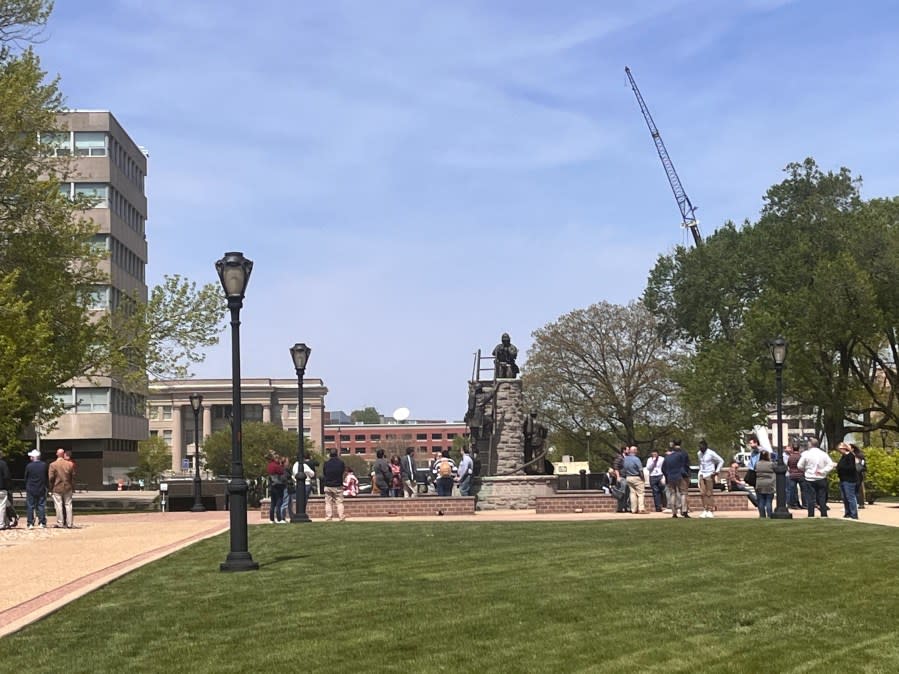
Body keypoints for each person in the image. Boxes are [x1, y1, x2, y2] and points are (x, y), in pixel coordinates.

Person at [797, 437, 835, 517]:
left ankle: (811, 514)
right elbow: (830, 464)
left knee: (810, 498)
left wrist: (806, 470)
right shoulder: (823, 454)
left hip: (809, 477)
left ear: (810, 444)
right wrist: (823, 471)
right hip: (821, 477)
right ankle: (824, 514)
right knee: (822, 497)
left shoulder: (806, 454)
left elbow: (799, 465)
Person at [662, 439, 691, 518]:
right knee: (683, 493)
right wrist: (686, 475)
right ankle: (684, 511)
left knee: (672, 494)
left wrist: (667, 475)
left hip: (670, 477)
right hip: (680, 476)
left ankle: (674, 512)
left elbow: (663, 468)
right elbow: (685, 465)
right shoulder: (682, 454)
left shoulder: (668, 457)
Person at [48, 448, 76, 528]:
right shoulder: (70, 464)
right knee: (68, 505)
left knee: (58, 505)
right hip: (68, 486)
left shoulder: (53, 465)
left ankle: (60, 522)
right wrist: (73, 487)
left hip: (57, 487)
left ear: (57, 454)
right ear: (63, 454)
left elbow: (51, 478)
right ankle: (70, 523)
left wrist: (50, 488)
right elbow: (73, 476)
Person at [697, 440, 724, 518]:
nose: (701, 449)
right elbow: (700, 464)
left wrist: (717, 471)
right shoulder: (699, 454)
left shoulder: (711, 453)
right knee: (702, 493)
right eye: (700, 447)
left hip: (709, 474)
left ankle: (710, 510)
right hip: (702, 473)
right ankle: (705, 509)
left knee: (709, 493)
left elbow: (721, 460)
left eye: (702, 447)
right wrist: (700, 473)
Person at [24, 449, 48, 529]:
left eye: (31, 456)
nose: (30, 457)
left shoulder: (29, 466)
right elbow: (46, 477)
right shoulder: (44, 465)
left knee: (30, 506)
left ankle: (30, 523)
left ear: (34, 457)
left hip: (31, 488)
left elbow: (26, 477)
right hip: (41, 487)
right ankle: (42, 522)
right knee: (41, 505)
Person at [835, 442, 859, 520]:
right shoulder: (844, 456)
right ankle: (847, 513)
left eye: (840, 449)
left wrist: (841, 468)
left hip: (849, 479)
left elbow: (851, 468)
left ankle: (854, 514)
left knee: (850, 497)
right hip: (843, 479)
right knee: (845, 497)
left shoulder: (850, 456)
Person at [322, 449, 347, 522]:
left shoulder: (326, 463)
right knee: (339, 502)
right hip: (338, 485)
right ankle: (341, 517)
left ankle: (329, 517)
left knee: (328, 502)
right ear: (337, 454)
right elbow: (342, 472)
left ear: (330, 454)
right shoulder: (341, 463)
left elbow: (324, 473)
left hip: (328, 485)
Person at [623, 446, 647, 514]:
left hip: (628, 477)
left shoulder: (625, 459)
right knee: (641, 493)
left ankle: (633, 509)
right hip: (636, 477)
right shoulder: (636, 459)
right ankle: (641, 509)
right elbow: (640, 470)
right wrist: (643, 478)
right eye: (636, 450)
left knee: (632, 493)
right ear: (634, 451)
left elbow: (624, 468)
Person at [755, 451, 776, 518]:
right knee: (769, 501)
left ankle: (762, 516)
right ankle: (769, 515)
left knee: (761, 501)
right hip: (769, 483)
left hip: (759, 483)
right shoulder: (771, 464)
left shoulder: (757, 464)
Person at [267, 453, 287, 523]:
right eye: (278, 459)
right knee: (279, 502)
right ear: (276, 459)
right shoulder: (277, 466)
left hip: (272, 486)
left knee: (273, 503)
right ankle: (279, 519)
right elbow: (282, 473)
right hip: (278, 486)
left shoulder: (270, 465)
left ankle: (271, 519)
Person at [785, 438, 804, 509]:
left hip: (792, 474)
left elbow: (788, 465)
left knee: (792, 490)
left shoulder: (790, 457)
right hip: (801, 474)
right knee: (803, 490)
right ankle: (805, 504)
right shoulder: (801, 456)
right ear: (798, 449)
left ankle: (793, 504)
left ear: (793, 448)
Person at [610, 447, 630, 513]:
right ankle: (620, 508)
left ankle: (626, 507)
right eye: (628, 449)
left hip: (627, 477)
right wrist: (618, 477)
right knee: (621, 493)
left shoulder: (628, 458)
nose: (629, 451)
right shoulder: (619, 457)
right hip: (622, 477)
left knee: (627, 493)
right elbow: (616, 467)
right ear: (624, 450)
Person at [852, 444, 867, 509]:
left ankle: (860, 503)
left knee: (859, 489)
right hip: (857, 474)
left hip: (857, 474)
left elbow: (863, 465)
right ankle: (859, 503)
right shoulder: (853, 455)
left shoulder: (858, 456)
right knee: (858, 489)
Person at [0, 450, 10, 530]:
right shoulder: (3, 464)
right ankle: (1, 523)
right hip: (1, 488)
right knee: (2, 507)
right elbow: (6, 476)